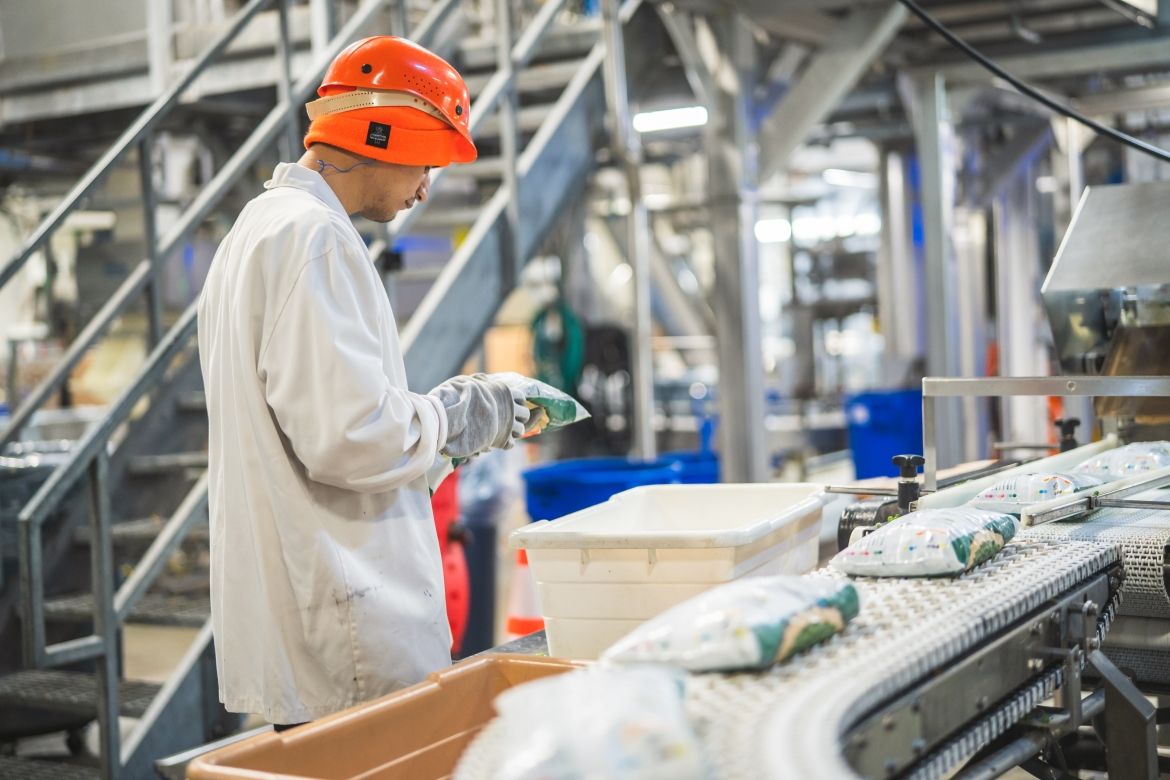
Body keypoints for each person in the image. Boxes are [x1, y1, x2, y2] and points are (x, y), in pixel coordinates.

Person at [197, 36, 530, 729]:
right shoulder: (310, 237)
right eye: (429, 160)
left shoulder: (257, 231)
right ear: (390, 133)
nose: (425, 187)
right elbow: (352, 439)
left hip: (310, 610)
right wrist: (456, 414)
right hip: (345, 622)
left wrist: (433, 434)